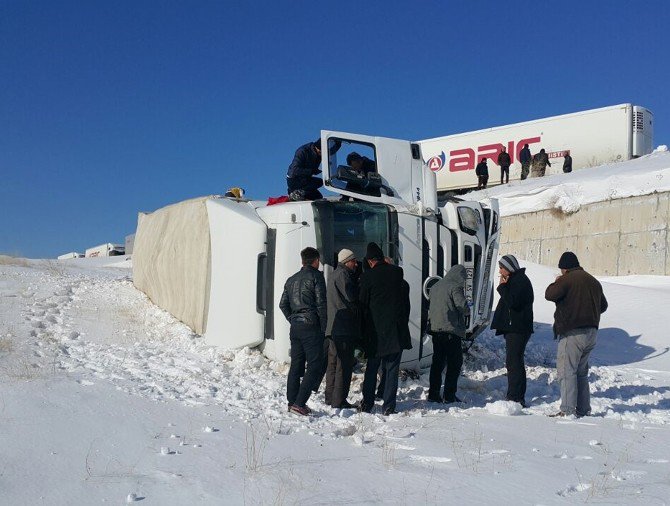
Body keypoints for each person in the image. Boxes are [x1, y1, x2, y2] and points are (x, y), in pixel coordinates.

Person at [545, 252, 608, 417]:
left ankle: (567, 410)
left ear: (564, 268)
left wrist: (557, 281)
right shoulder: (593, 281)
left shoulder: (567, 279)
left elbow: (549, 294)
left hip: (573, 332)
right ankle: (583, 409)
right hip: (592, 332)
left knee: (566, 371)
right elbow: (603, 305)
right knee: (580, 373)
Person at [358, 242, 411, 415]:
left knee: (372, 370)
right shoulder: (397, 273)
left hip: (375, 333)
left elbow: (362, 305)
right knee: (392, 369)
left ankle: (368, 403)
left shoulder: (367, 277)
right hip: (395, 332)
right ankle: (388, 406)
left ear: (370, 261)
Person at [279, 247, 328, 416]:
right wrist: (323, 327)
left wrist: (293, 318)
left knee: (296, 365)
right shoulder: (317, 276)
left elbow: (282, 304)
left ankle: (292, 402)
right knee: (314, 365)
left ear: (302, 261)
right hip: (311, 326)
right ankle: (300, 403)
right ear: (316, 261)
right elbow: (321, 303)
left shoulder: (291, 279)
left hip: (296, 327)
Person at [490, 255, 534, 407]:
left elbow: (513, 302)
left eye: (502, 267)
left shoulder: (520, 281)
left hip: (518, 329)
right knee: (514, 362)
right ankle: (516, 396)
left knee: (514, 363)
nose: (500, 271)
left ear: (509, 267)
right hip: (515, 328)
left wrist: (502, 287)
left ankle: (515, 397)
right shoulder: (516, 280)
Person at [427, 265, 470, 404]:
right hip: (451, 331)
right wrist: (467, 308)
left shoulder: (435, 287)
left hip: (436, 330)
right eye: (463, 278)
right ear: (459, 276)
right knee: (454, 364)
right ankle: (449, 395)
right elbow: (462, 306)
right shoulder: (454, 287)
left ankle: (433, 395)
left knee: (437, 364)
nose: (463, 281)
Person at [324, 248, 360, 409]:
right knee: (343, 365)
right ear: (346, 261)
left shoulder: (333, 275)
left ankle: (330, 396)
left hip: (332, 327)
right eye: (353, 261)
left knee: (332, 363)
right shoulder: (344, 275)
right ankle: (339, 400)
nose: (356, 263)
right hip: (344, 327)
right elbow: (351, 297)